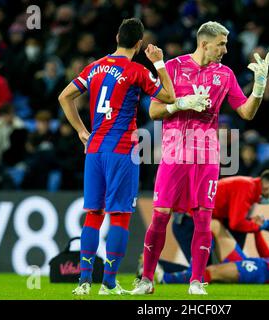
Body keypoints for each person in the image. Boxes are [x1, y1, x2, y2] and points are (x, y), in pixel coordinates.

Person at [132, 21, 269, 295]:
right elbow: (154, 111)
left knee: (203, 220)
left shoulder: (226, 75)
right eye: (221, 44)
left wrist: (258, 88)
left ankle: (197, 281)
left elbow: (246, 113)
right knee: (160, 217)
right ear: (204, 43)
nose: (225, 49)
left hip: (206, 157)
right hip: (174, 155)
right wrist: (180, 104)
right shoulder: (172, 67)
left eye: (226, 44)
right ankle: (146, 280)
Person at [58, 18, 176, 296]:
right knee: (120, 216)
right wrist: (159, 63)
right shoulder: (137, 71)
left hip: (95, 148)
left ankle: (84, 282)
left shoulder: (95, 67)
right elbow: (169, 96)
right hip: (123, 149)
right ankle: (108, 283)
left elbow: (65, 97)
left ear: (116, 37)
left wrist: (80, 131)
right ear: (139, 43)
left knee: (93, 214)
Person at [170, 168, 269, 267]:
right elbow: (235, 223)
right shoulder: (247, 188)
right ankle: (161, 270)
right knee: (202, 271)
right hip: (187, 222)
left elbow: (234, 221)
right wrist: (258, 226)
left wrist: (254, 224)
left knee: (205, 270)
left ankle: (234, 266)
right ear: (267, 187)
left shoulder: (248, 187)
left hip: (196, 220)